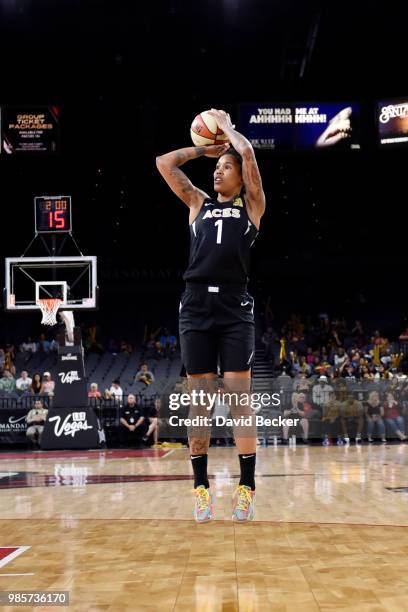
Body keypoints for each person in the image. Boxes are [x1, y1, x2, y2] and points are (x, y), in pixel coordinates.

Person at [156, 108, 265, 522]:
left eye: (225, 167)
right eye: (216, 168)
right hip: (196, 305)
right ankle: (200, 489)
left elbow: (250, 156)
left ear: (239, 177)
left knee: (239, 400)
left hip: (235, 307)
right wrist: (203, 149)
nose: (218, 172)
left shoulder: (252, 205)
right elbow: (164, 164)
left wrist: (233, 135)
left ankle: (246, 487)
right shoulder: (197, 203)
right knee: (200, 403)